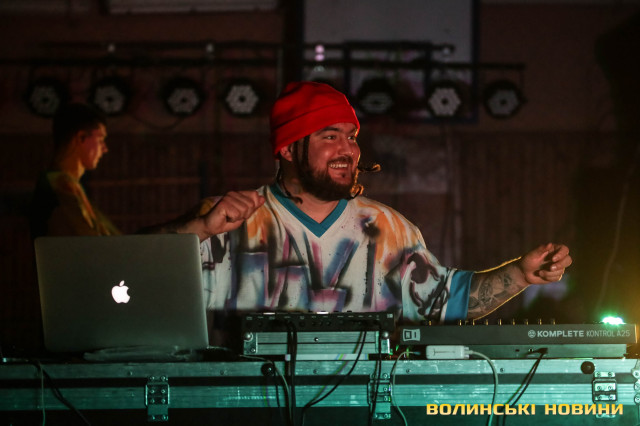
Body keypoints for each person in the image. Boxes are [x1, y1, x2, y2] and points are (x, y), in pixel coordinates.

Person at [151, 81, 572, 333]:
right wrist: (200, 229)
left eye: (351, 137)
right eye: (329, 136)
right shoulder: (225, 218)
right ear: (287, 149)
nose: (348, 149)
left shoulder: (388, 227)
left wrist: (520, 275)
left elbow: (445, 300)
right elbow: (133, 277)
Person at [29, 102, 120, 239]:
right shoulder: (60, 185)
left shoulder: (65, 184)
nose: (105, 149)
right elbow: (89, 241)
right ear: (81, 138)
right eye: (100, 139)